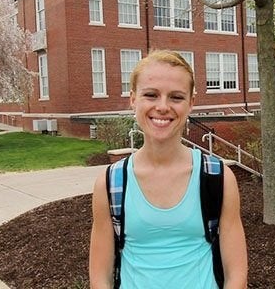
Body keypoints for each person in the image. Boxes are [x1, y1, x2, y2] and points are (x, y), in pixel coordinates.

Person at [89, 50, 248, 289]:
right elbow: (100, 277)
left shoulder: (217, 178)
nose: (162, 107)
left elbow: (236, 276)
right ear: (133, 99)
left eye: (176, 97)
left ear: (191, 103)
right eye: (151, 95)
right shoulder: (111, 183)